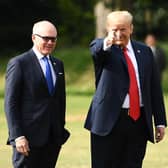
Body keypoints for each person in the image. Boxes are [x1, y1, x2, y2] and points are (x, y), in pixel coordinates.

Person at [84, 11, 167, 168]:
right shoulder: (103, 48)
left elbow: (154, 88)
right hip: (108, 122)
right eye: (114, 29)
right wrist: (108, 41)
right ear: (108, 29)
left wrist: (160, 122)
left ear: (131, 29)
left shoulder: (145, 51)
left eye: (123, 29)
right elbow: (96, 51)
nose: (118, 33)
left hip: (139, 121)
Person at [4, 20, 70, 168]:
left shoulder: (58, 64)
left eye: (53, 39)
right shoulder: (19, 63)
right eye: (45, 38)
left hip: (53, 139)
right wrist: (17, 136)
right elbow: (11, 103)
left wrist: (60, 128)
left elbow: (60, 100)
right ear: (34, 37)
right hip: (27, 139)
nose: (50, 42)